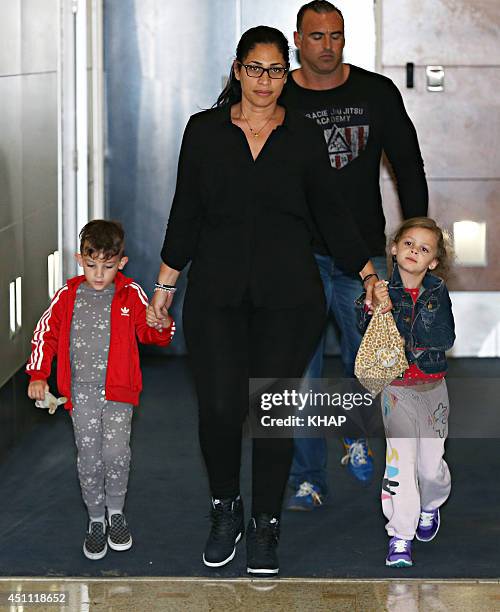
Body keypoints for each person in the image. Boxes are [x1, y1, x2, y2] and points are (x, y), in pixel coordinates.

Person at [147, 26, 383, 577]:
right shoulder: (203, 132)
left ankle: (267, 525)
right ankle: (226, 506)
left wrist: (369, 274)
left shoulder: (302, 135)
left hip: (289, 296)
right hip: (216, 295)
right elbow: (185, 212)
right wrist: (164, 286)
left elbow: (331, 213)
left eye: (276, 70)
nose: (266, 81)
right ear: (236, 70)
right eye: (255, 68)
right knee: (222, 408)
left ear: (287, 73)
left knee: (272, 410)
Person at [280, 0, 429, 508]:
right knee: (300, 371)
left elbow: (407, 164)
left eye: (336, 35)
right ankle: (308, 477)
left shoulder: (375, 92)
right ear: (297, 40)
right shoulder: (278, 96)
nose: (327, 46)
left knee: (373, 363)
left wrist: (418, 240)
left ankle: (351, 428)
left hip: (362, 256)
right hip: (297, 256)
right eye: (316, 36)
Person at [26, 220, 175, 560]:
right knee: (90, 457)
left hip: (119, 393)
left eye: (107, 267)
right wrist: (38, 374)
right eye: (92, 265)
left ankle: (116, 513)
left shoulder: (130, 293)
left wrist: (161, 324)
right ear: (81, 259)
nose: (98, 274)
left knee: (116, 454)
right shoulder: (67, 295)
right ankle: (96, 519)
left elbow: (150, 332)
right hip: (81, 395)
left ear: (120, 263)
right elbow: (44, 334)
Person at [358, 217, 455, 567]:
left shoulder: (437, 292)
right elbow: (366, 335)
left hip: (432, 388)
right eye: (409, 243)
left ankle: (431, 505)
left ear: (432, 262)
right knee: (399, 466)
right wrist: (373, 306)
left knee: (430, 469)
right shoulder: (381, 290)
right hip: (395, 391)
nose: (415, 251)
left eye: (424, 248)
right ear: (395, 249)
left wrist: (406, 338)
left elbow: (444, 338)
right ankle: (400, 534)